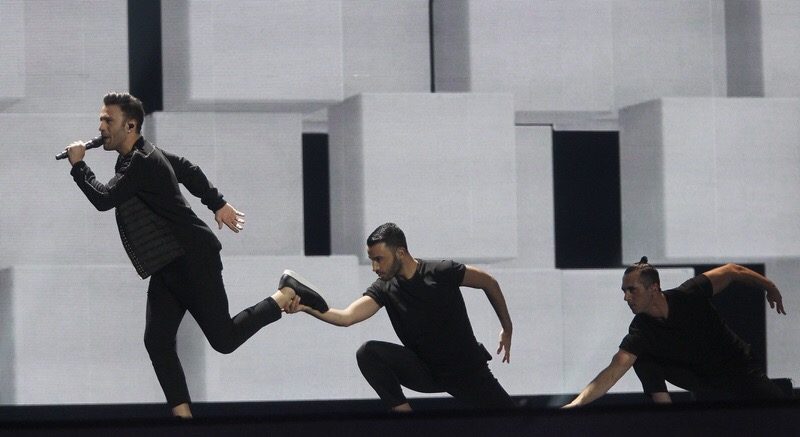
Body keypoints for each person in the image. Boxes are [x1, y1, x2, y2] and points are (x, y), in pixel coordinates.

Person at [63, 92, 328, 418]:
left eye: (108, 120)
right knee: (157, 341)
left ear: (130, 125)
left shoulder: (142, 162)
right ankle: (183, 418)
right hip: (167, 263)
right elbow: (187, 169)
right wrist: (217, 203)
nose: (101, 126)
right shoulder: (141, 155)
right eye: (101, 119)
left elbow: (104, 199)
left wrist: (79, 166)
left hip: (192, 259)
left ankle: (286, 292)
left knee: (224, 339)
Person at [285, 222, 516, 411]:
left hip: (466, 372)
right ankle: (407, 425)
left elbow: (488, 282)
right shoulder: (385, 288)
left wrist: (507, 328)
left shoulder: (441, 272)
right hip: (427, 372)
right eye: (372, 260)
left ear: (400, 252)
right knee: (368, 353)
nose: (374, 267)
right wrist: (306, 307)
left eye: (379, 259)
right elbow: (347, 317)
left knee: (513, 424)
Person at [563, 257, 787, 407]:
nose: (626, 297)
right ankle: (668, 418)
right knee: (641, 358)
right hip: (705, 384)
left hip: (739, 370)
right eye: (624, 291)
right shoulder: (641, 330)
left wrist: (770, 287)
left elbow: (732, 271)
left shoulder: (690, 294)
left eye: (632, 290)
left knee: (781, 416)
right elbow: (614, 370)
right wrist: (576, 404)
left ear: (654, 288)